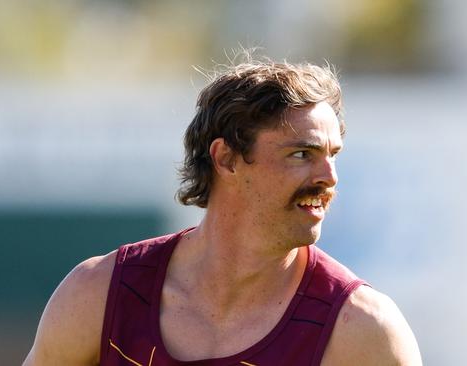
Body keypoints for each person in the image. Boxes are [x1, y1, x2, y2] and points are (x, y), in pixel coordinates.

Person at [23, 58, 422, 365]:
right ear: (227, 158)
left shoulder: (364, 330)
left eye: (333, 156)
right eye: (302, 154)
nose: (329, 177)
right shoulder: (99, 294)